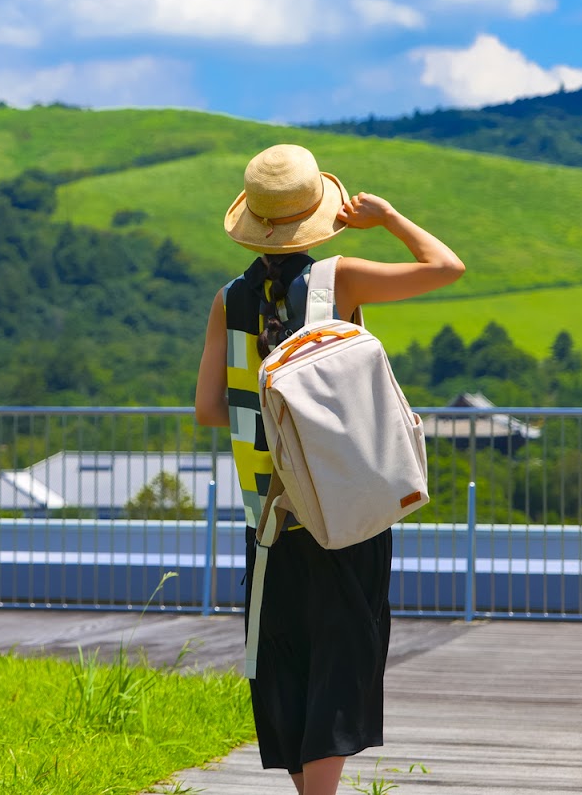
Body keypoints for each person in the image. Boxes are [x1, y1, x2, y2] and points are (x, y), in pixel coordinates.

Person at [193, 143, 464, 795]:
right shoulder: (337, 280)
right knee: (344, 657)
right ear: (320, 211)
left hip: (268, 521)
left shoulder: (228, 300)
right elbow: (446, 267)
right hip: (345, 509)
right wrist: (389, 216)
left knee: (287, 661)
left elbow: (208, 409)